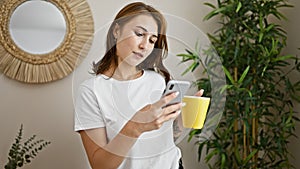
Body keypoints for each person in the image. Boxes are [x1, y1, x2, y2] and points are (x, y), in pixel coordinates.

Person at [74, 2, 203, 169]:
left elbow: (165, 137)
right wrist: (133, 127)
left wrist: (181, 117)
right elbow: (100, 165)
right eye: (139, 34)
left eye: (152, 40)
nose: (145, 46)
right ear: (116, 31)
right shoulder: (91, 91)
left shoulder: (158, 80)